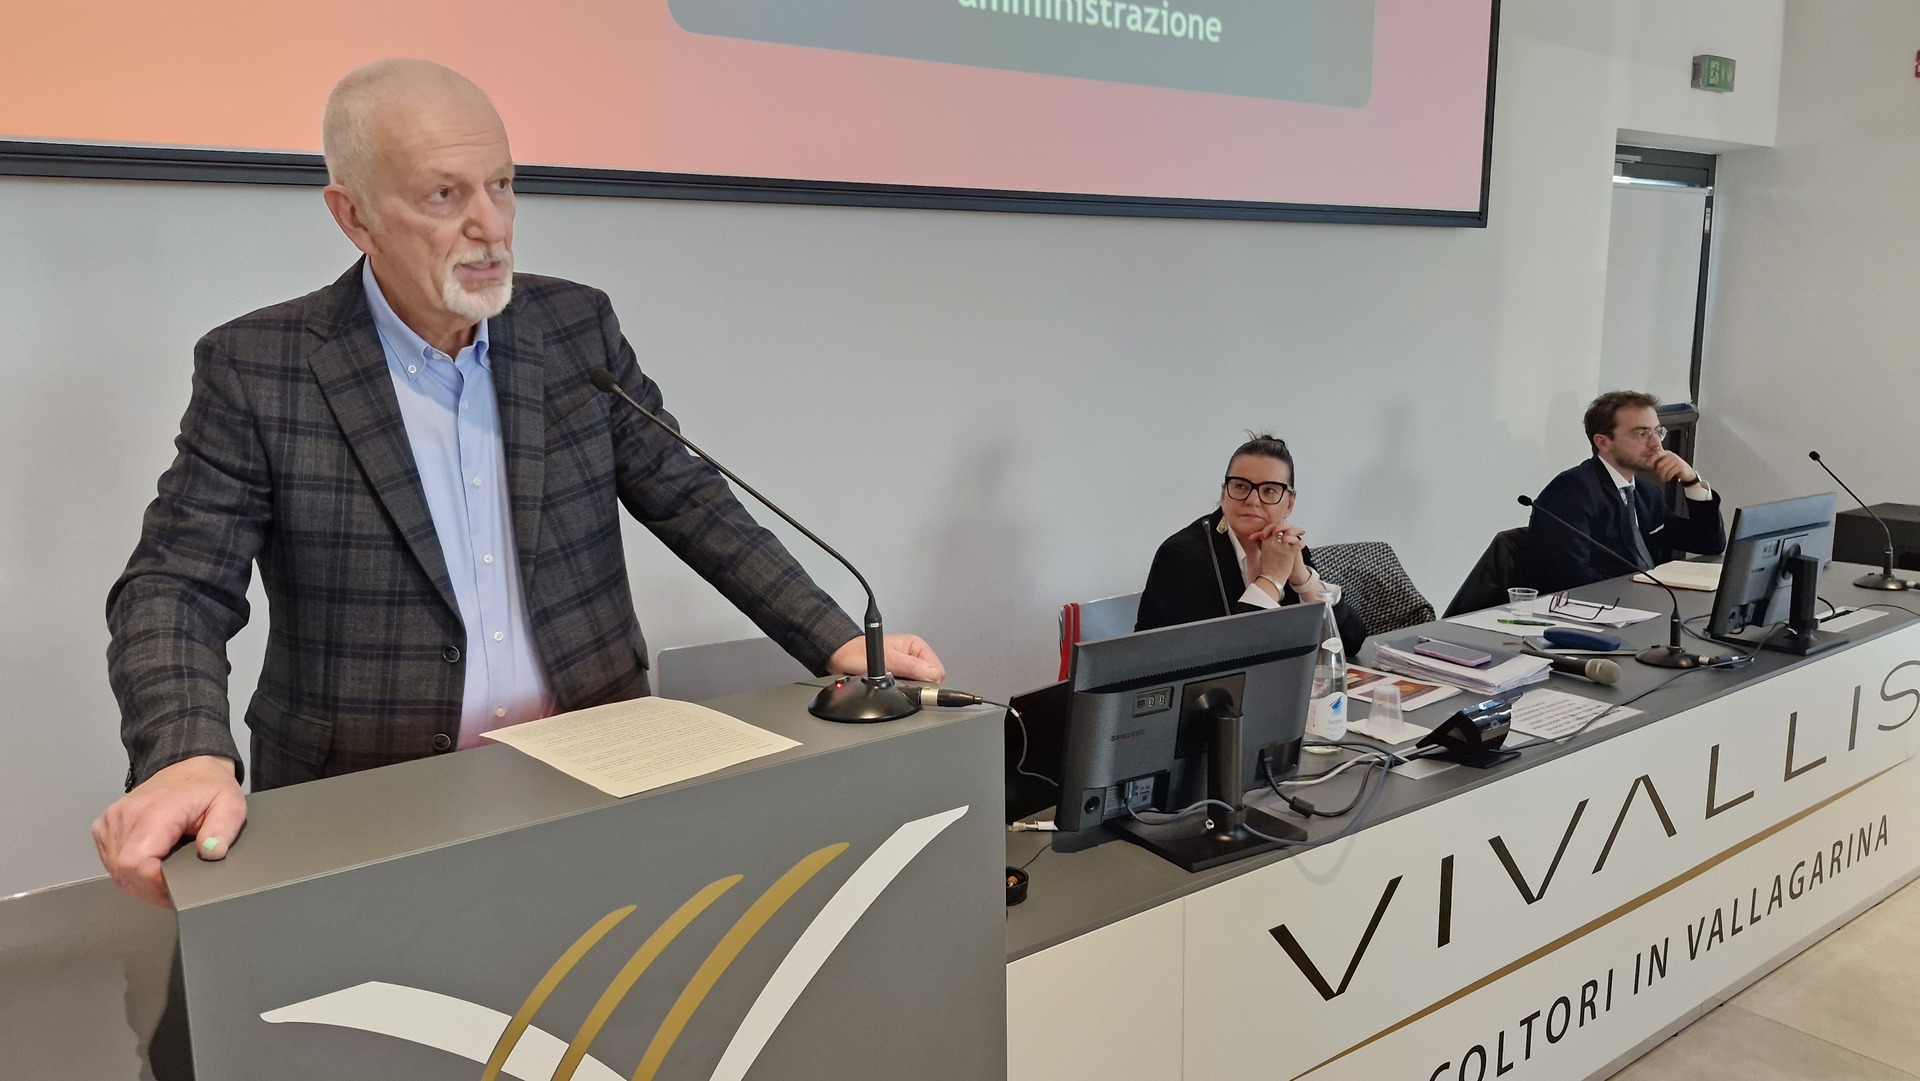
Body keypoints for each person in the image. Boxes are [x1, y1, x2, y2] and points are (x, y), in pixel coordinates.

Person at [93, 60, 944, 907]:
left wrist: (835, 638)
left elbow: (687, 496)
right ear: (354, 215)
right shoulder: (261, 367)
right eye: (445, 196)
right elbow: (175, 584)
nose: (491, 227)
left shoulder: (574, 327)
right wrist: (185, 753)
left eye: (501, 186)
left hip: (594, 781)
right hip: (366, 807)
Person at [1134, 433, 1366, 656]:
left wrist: (1303, 580)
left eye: (1269, 490)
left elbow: (1350, 642)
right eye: (1241, 486)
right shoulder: (1181, 556)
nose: (1252, 500)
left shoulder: (1286, 546)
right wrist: (1272, 580)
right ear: (1224, 494)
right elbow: (1218, 659)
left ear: (1289, 504)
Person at [1520, 390, 1725, 594]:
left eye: (1658, 432)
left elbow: (1710, 544)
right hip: (1599, 606)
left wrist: (1691, 481)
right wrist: (1639, 595)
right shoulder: (1570, 492)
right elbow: (1571, 577)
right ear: (1603, 442)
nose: (1656, 443)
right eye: (1642, 433)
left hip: (1646, 602)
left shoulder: (1646, 494)